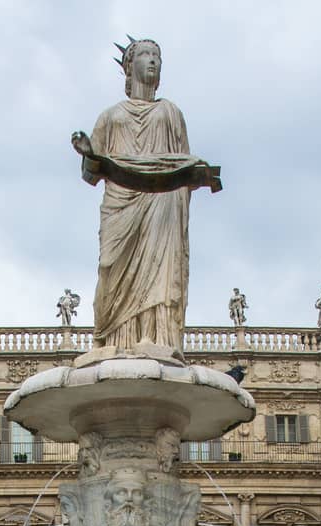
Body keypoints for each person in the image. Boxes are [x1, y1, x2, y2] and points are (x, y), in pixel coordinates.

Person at [71, 38, 220, 352]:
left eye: (157, 56)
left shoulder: (170, 113)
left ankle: (156, 338)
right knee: (111, 272)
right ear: (129, 66)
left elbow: (183, 162)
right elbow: (90, 175)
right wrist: (88, 155)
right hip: (121, 205)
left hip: (162, 204)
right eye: (145, 55)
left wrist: (199, 171)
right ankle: (115, 340)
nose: (152, 61)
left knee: (159, 271)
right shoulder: (111, 117)